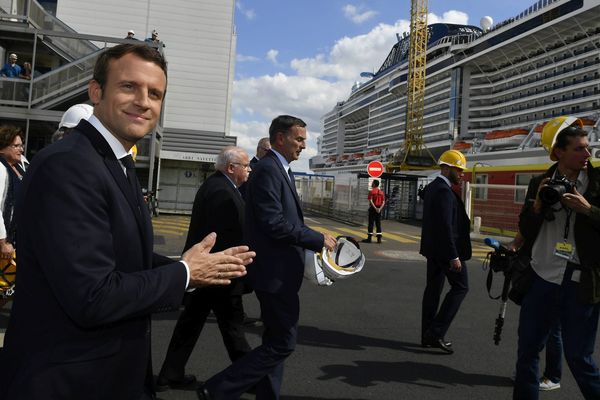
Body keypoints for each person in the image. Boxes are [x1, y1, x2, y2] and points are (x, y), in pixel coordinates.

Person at [0, 43, 255, 400]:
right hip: (70, 380)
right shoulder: (70, 166)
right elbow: (93, 296)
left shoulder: (114, 161)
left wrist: (194, 269)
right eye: (128, 87)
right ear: (96, 92)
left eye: (155, 93)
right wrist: (185, 274)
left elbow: (125, 257)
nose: (143, 101)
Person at [198, 115, 336, 400]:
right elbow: (273, 223)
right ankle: (219, 388)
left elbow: (287, 219)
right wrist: (315, 239)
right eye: (299, 139)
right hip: (274, 275)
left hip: (279, 273)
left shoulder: (279, 169)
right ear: (281, 138)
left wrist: (315, 233)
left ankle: (266, 394)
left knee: (275, 340)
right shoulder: (269, 171)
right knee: (283, 343)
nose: (304, 145)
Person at [513, 115, 600, 400]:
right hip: (541, 277)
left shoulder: (599, 182)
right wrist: (537, 206)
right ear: (558, 152)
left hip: (580, 281)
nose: (588, 153)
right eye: (579, 149)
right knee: (527, 352)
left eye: (588, 147)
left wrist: (589, 209)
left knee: (579, 358)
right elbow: (525, 229)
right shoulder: (540, 181)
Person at [157, 146, 253, 392]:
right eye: (246, 166)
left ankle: (170, 374)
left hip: (206, 271)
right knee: (233, 327)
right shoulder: (222, 191)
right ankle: (249, 378)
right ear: (232, 168)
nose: (249, 170)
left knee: (191, 323)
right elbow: (224, 235)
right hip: (217, 272)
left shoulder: (218, 186)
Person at [420, 149, 471, 354]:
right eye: (459, 170)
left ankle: (427, 334)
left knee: (433, 290)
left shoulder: (433, 187)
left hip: (433, 250)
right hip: (445, 251)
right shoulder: (443, 190)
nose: (462, 174)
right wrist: (453, 256)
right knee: (461, 287)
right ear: (447, 168)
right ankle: (436, 331)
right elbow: (445, 226)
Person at [508, 232, 562, 392]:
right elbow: (528, 225)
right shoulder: (539, 208)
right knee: (530, 329)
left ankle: (552, 376)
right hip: (539, 270)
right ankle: (527, 372)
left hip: (561, 274)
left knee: (553, 330)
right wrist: (516, 243)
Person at [0, 126, 24, 308]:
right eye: (16, 146)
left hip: (14, 238)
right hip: (4, 241)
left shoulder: (17, 167)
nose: (21, 149)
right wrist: (3, 241)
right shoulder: (1, 169)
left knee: (6, 286)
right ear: (3, 148)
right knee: (3, 286)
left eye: (21, 145)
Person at [362, 179, 385, 244]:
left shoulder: (371, 192)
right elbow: (383, 202)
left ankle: (369, 239)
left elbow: (371, 201)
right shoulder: (381, 192)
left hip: (373, 209)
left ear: (374, 184)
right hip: (379, 209)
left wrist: (375, 208)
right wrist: (380, 209)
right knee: (378, 224)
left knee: (371, 223)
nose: (372, 184)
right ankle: (379, 239)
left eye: (372, 183)